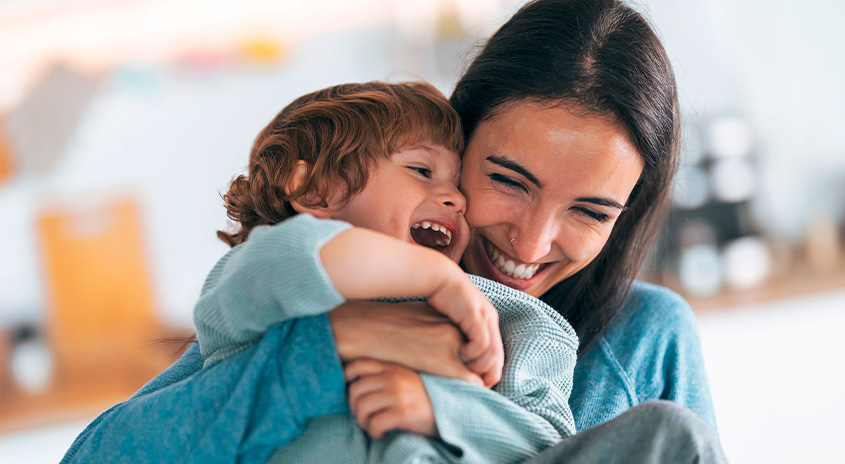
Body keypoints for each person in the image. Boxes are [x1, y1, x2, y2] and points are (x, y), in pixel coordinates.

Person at [63, 0, 726, 462]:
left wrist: (440, 407)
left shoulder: (632, 338)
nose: (529, 244)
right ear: (454, 137)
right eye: (509, 180)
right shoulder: (317, 292)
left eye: (590, 211)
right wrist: (333, 347)